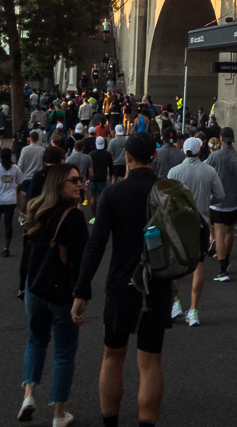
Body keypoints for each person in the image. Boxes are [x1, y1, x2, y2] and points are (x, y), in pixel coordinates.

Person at [72, 132, 172, 427]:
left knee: (112, 356)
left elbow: (96, 245)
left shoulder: (114, 194)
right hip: (157, 282)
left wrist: (82, 290)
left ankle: (110, 422)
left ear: (127, 157)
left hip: (121, 284)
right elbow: (198, 234)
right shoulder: (166, 191)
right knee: (151, 361)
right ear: (153, 157)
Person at [18, 163, 88, 427]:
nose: (79, 184)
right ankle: (59, 413)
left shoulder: (36, 209)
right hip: (63, 291)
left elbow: (27, 253)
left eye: (79, 180)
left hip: (35, 286)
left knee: (35, 340)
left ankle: (29, 396)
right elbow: (82, 262)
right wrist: (82, 297)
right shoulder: (74, 217)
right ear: (59, 183)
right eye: (73, 180)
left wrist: (22, 284)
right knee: (64, 352)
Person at [168, 137, 223, 325]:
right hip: (201, 222)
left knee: (175, 264)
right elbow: (220, 195)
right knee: (198, 265)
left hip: (179, 222)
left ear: (183, 151)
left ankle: (175, 304)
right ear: (200, 151)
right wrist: (207, 203)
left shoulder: (174, 172)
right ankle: (193, 310)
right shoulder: (209, 171)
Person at [205, 127, 237, 282]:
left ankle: (222, 269)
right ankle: (227, 260)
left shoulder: (214, 157)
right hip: (234, 201)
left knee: (219, 233)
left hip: (217, 201)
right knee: (230, 231)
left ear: (221, 139)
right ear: (233, 139)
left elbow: (206, 172)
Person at [0, 148, 25, 256]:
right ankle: (6, 247)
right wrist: (15, 193)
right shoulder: (15, 169)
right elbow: (20, 183)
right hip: (10, 200)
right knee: (8, 224)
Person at [88, 136, 113, 220]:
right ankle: (102, 215)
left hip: (93, 179)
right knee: (103, 199)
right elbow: (111, 167)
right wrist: (111, 177)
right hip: (103, 178)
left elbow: (89, 167)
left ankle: (94, 216)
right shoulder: (107, 154)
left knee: (93, 198)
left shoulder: (91, 154)